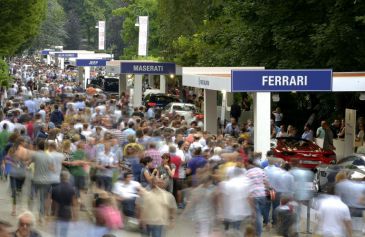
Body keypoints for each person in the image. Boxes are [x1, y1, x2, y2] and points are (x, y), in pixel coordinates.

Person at [51, 171, 78, 237]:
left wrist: (52, 212)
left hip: (57, 211)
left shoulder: (55, 188)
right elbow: (74, 204)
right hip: (67, 212)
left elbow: (53, 202)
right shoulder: (72, 189)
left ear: (60, 178)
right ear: (68, 178)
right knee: (64, 232)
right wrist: (75, 216)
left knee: (56, 231)